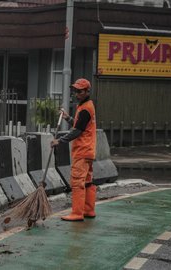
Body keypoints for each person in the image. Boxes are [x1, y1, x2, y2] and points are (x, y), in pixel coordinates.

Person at [51, 78, 97, 222]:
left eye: (80, 91)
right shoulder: (85, 106)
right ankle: (89, 210)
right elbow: (79, 124)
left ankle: (77, 213)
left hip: (82, 151)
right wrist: (67, 118)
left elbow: (77, 130)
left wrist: (60, 141)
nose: (76, 94)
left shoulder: (85, 109)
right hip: (88, 150)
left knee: (77, 182)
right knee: (88, 181)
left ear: (87, 91)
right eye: (75, 91)